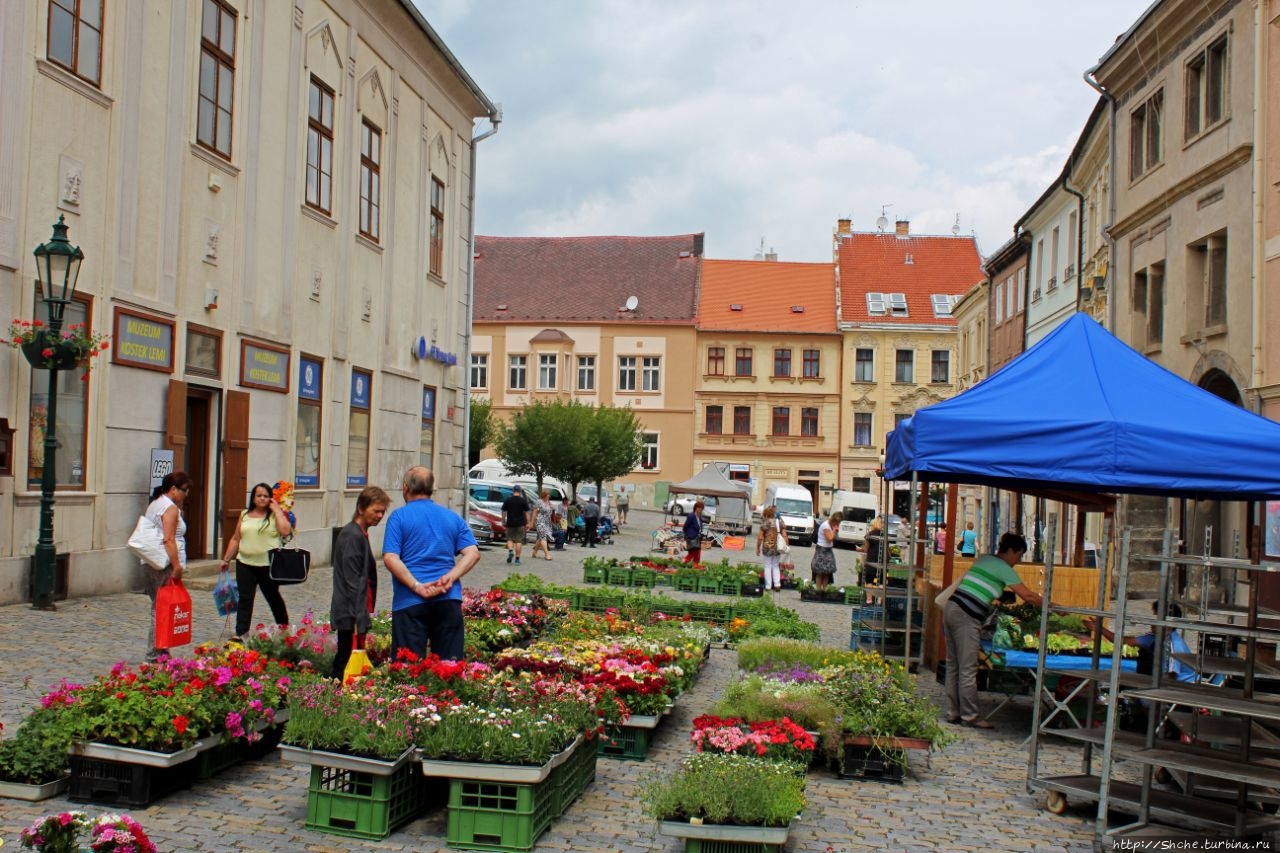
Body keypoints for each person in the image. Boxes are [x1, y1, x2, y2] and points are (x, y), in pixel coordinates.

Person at [944, 531, 1045, 729]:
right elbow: (1029, 597)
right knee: (967, 668)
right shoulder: (1004, 567)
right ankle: (970, 716)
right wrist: (1052, 606)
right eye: (1018, 555)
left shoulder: (985, 559)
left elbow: (984, 585)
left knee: (954, 664)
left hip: (952, 607)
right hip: (967, 615)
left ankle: (953, 712)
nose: (1017, 560)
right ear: (1010, 551)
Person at [383, 467, 481, 661]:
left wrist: (416, 585)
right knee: (449, 667)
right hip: (448, 598)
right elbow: (473, 553)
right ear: (432, 489)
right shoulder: (452, 517)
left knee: (407, 669)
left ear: (405, 488)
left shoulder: (399, 517)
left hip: (410, 602)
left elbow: (390, 557)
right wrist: (450, 577)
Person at [330, 485, 389, 680]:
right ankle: (333, 697)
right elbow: (352, 580)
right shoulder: (352, 535)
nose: (380, 516)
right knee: (345, 659)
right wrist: (358, 617)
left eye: (382, 511)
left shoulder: (360, 533)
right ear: (361, 508)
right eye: (376, 511)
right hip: (350, 611)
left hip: (355, 610)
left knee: (348, 659)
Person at [220, 482, 293, 639]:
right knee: (245, 599)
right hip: (245, 563)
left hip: (268, 566)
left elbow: (286, 531)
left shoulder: (274, 516)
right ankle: (241, 633)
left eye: (266, 496)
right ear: (253, 498)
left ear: (270, 499)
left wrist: (277, 510)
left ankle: (284, 628)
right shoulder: (244, 515)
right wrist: (226, 558)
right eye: (259, 495)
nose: (262, 498)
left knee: (273, 597)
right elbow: (235, 538)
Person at [143, 471, 192, 661]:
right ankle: (154, 653)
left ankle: (161, 650)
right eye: (184, 491)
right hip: (164, 563)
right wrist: (177, 565)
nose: (185, 495)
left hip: (150, 561)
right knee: (162, 609)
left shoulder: (155, 504)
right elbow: (169, 539)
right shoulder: (169, 508)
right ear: (173, 489)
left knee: (159, 607)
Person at [1083, 603, 1197, 683]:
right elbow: (1123, 641)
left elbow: (1170, 679)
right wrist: (1099, 628)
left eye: (1156, 618)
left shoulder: (1174, 646)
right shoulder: (1154, 637)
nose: (1152, 621)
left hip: (1181, 689)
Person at [756, 505, 787, 591]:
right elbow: (785, 532)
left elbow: (760, 537)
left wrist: (758, 548)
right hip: (777, 547)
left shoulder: (765, 523)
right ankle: (777, 585)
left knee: (767, 566)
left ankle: (768, 586)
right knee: (776, 566)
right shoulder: (779, 522)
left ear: (766, 514)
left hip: (767, 547)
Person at [501, 484, 532, 565]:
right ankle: (517, 559)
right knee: (519, 541)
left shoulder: (508, 500)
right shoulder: (523, 501)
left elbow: (504, 512)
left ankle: (511, 550)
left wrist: (503, 521)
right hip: (520, 524)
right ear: (520, 491)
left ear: (513, 491)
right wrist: (528, 523)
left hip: (510, 523)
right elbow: (527, 513)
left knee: (509, 539)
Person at [811, 511, 840, 591]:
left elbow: (836, 538)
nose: (838, 524)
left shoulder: (832, 525)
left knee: (827, 572)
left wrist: (836, 531)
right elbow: (830, 538)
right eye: (837, 522)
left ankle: (824, 590)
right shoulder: (826, 526)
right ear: (833, 520)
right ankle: (818, 590)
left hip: (828, 549)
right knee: (820, 571)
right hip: (822, 550)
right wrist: (834, 530)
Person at [862, 517, 885, 603]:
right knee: (881, 581)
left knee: (869, 580)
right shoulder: (884, 535)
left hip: (872, 559)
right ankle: (879, 601)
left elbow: (865, 549)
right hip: (883, 559)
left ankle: (869, 600)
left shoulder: (870, 534)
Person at [531, 489, 555, 561]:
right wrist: (532, 522)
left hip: (547, 522)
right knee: (543, 536)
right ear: (544, 495)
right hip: (539, 521)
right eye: (548, 495)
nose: (549, 496)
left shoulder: (549, 502)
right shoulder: (539, 502)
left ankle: (534, 553)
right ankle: (547, 554)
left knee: (541, 537)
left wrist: (551, 506)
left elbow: (551, 512)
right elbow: (535, 512)